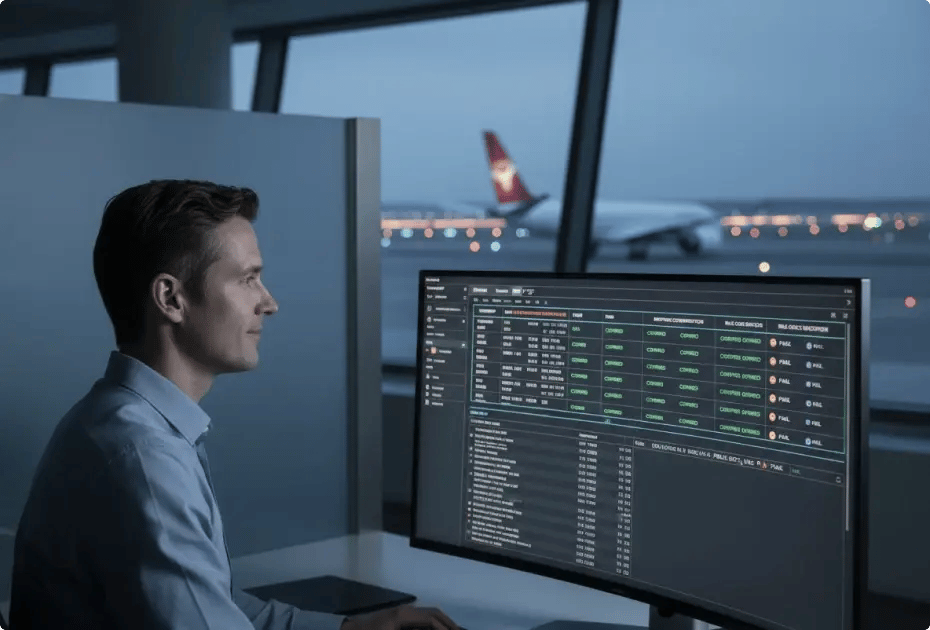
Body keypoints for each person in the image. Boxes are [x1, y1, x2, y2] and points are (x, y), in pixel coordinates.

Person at [9, 180, 461, 630]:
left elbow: (212, 604)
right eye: (247, 279)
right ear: (171, 299)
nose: (269, 302)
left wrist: (352, 629)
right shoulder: (144, 458)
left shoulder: (123, 421)